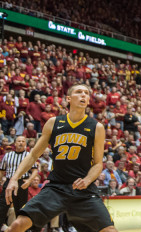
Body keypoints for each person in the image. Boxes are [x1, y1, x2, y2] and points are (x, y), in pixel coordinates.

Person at [4, 83, 117, 232]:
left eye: (86, 93)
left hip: (84, 191)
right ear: (69, 98)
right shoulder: (53, 123)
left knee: (110, 230)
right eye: (79, 92)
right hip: (56, 188)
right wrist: (14, 179)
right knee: (17, 225)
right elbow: (33, 155)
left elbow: (97, 164)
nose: (84, 95)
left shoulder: (97, 127)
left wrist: (87, 180)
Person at [0, 136, 38, 230]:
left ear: (25, 144)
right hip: (9, 182)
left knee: (20, 209)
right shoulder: (8, 155)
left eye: (23, 141)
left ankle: (21, 229)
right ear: (15, 143)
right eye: (19, 141)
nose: (21, 143)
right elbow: (1, 171)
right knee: (2, 206)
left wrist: (29, 180)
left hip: (22, 183)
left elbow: (35, 171)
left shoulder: (29, 155)